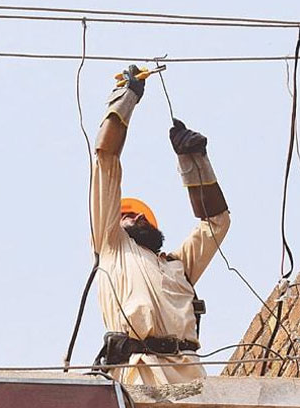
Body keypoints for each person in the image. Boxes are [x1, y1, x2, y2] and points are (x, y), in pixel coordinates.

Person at [91, 65, 231, 385]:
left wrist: (193, 161)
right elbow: (105, 158)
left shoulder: (178, 265)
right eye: (128, 215)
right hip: (140, 374)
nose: (138, 217)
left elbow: (217, 223)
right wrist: (125, 98)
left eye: (142, 216)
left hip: (190, 376)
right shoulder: (113, 247)